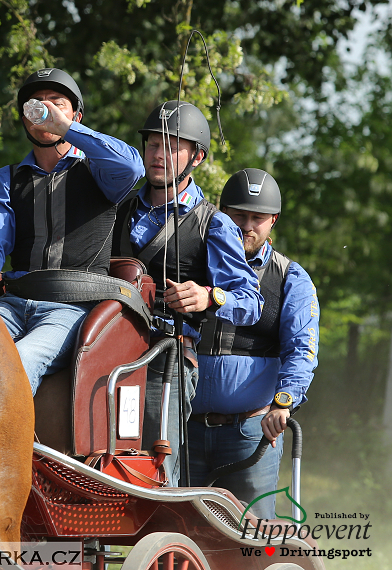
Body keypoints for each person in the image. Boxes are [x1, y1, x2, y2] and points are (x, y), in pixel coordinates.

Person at [111, 100, 263, 486]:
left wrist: (211, 297)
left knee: (159, 471)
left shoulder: (215, 223)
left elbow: (250, 301)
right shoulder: (118, 208)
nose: (158, 154)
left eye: (171, 145)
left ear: (196, 157)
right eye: (151, 144)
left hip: (168, 359)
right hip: (109, 352)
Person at [0, 68, 144, 395]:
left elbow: (133, 167)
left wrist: (65, 128)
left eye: (56, 103)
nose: (45, 110)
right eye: (36, 104)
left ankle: (6, 446)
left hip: (72, 307)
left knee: (21, 358)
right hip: (14, 302)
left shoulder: (98, 169)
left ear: (75, 114)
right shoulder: (5, 179)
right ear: (25, 119)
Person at [191, 168, 318, 518]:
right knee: (183, 535)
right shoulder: (194, 263)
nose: (247, 226)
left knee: (250, 541)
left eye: (257, 218)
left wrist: (283, 402)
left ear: (273, 220)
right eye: (238, 215)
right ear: (222, 213)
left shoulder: (291, 277)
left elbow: (301, 351)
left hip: (251, 432)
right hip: (183, 427)